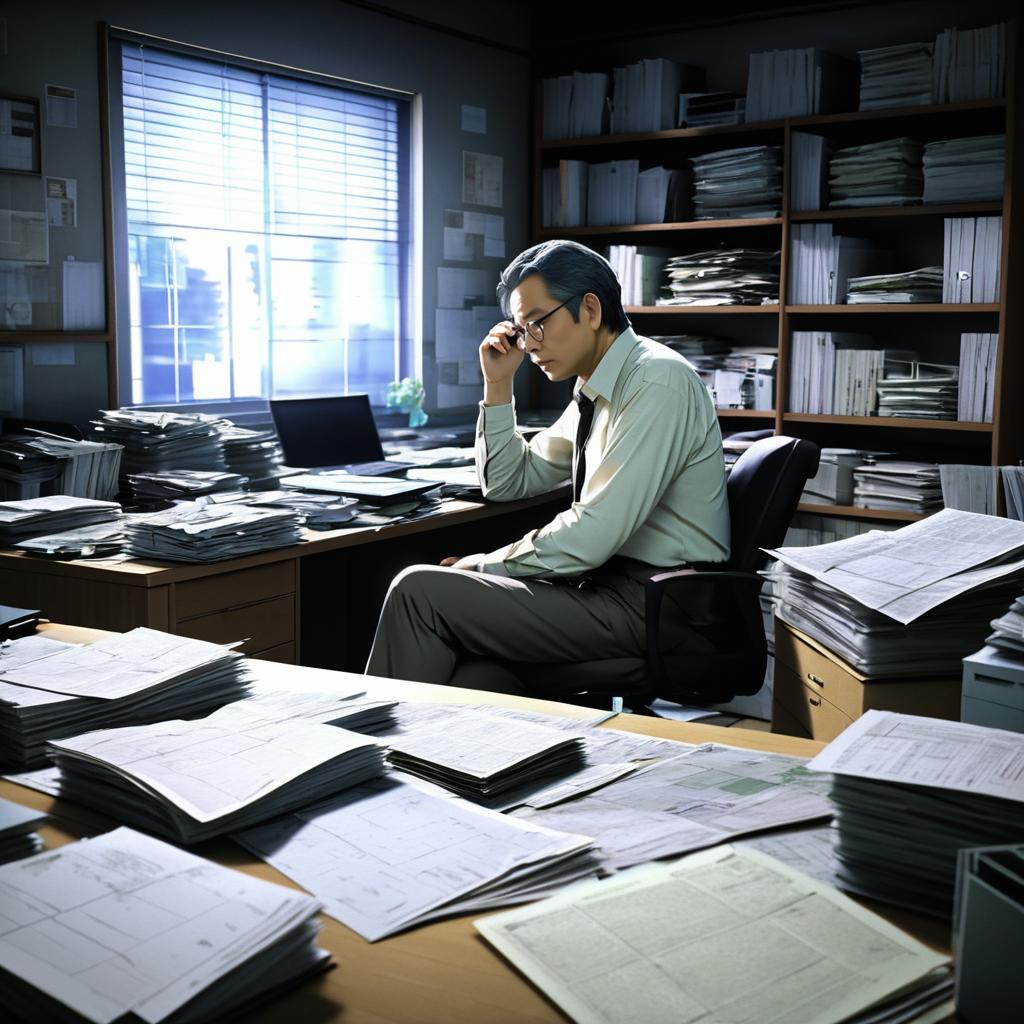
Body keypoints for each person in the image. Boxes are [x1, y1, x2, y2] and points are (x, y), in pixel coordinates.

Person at [365, 239, 730, 691]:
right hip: (607, 589)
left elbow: (593, 533)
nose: (529, 344)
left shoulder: (656, 381)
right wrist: (497, 384)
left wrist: (483, 566)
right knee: (474, 676)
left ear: (591, 310)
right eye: (521, 330)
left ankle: (369, 756)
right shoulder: (597, 390)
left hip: (656, 603)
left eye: (537, 324)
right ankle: (425, 759)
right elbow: (508, 481)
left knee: (417, 591)